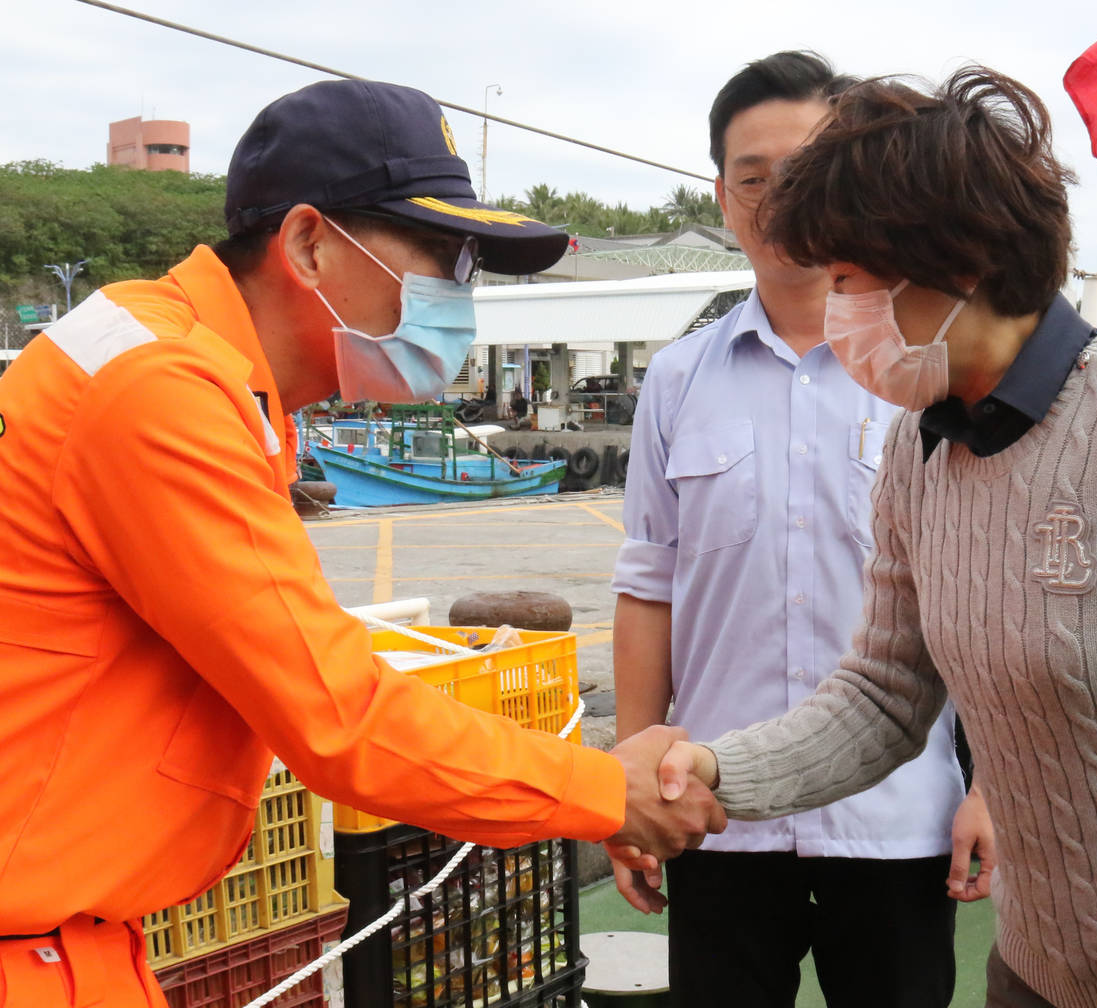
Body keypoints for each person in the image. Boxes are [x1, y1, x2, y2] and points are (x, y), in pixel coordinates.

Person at [0, 79, 723, 1007]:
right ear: (308, 243)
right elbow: (336, 715)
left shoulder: (197, 371)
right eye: (441, 259)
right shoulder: (161, 394)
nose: (459, 297)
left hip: (74, 932)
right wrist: (600, 787)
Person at [657, 65, 1097, 1008]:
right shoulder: (924, 443)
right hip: (1037, 966)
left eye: (847, 280)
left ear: (957, 262)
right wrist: (713, 768)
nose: (835, 315)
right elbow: (883, 693)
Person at [609, 51, 989, 1008]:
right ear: (723, 196)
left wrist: (997, 786)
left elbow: (987, 593)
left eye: (809, 173)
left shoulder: (924, 368)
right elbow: (647, 586)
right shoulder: (677, 379)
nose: (781, 203)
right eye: (755, 179)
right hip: (716, 808)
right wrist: (630, 782)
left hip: (897, 815)